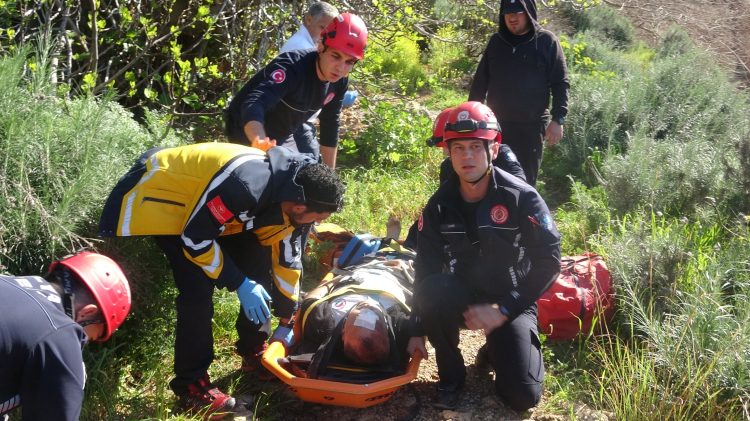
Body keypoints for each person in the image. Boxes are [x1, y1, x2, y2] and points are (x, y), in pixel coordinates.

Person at [98, 143, 346, 419]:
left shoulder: (294, 197)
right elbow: (195, 239)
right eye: (318, 218)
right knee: (197, 290)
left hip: (211, 212)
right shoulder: (243, 187)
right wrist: (238, 282)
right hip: (171, 199)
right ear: (299, 206)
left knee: (258, 257)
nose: (317, 223)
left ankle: (254, 348)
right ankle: (191, 386)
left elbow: (288, 259)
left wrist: (287, 318)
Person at [406, 101, 561, 411]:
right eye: (459, 148)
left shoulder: (521, 197)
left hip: (509, 299)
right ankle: (452, 377)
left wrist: (504, 309)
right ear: (449, 153)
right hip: (463, 293)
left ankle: (493, 351)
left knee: (523, 396)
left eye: (476, 146)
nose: (467, 156)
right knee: (433, 289)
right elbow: (424, 266)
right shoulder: (438, 205)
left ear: (494, 149)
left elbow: (549, 261)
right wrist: (416, 328)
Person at [0, 251, 131, 421]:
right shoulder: (59, 333)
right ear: (87, 312)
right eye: (89, 338)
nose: (82, 344)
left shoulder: (7, 282)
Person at [226, 13, 368, 168]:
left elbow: (330, 124)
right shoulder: (292, 67)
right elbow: (254, 103)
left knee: (304, 175)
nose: (340, 68)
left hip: (284, 132)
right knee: (264, 175)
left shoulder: (340, 81)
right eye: (336, 56)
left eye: (349, 62)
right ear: (321, 48)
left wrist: (330, 172)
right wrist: (259, 141)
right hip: (246, 126)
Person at [468, 0, 570, 187]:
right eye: (508, 12)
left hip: (530, 129)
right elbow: (480, 83)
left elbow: (560, 83)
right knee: (490, 181)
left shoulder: (547, 41)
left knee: (524, 185)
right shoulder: (496, 42)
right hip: (495, 127)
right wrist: (472, 118)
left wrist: (558, 119)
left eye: (518, 12)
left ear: (529, 12)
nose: (512, 17)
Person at [403, 107, 527, 250]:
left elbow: (521, 189)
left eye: (446, 145)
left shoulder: (501, 155)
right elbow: (442, 206)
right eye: (456, 147)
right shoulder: (448, 166)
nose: (445, 152)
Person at [278, 2, 340, 163]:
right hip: (295, 123)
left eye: (330, 31)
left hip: (300, 122)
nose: (326, 34)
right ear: (309, 20)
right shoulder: (302, 48)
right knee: (310, 170)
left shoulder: (310, 45)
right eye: (323, 27)